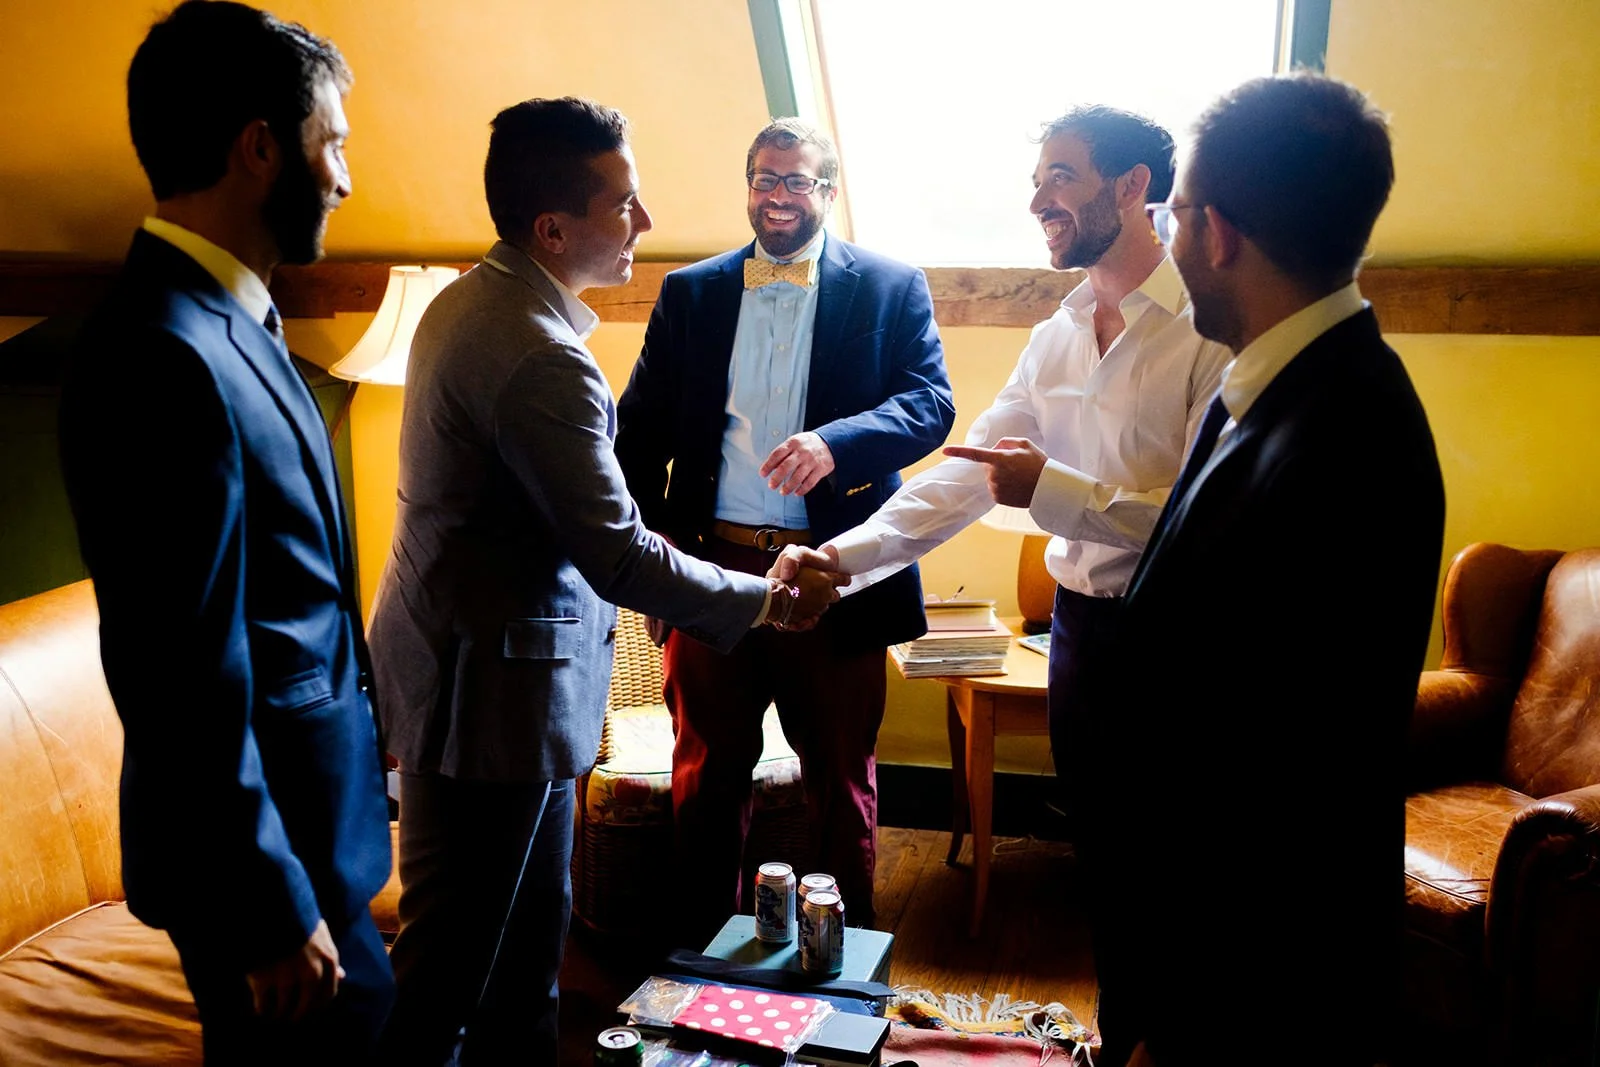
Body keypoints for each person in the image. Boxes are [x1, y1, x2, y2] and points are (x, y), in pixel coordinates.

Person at [365, 98, 838, 1066]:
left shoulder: (474, 298)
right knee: (457, 959)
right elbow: (615, 552)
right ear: (553, 228)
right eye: (624, 202)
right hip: (491, 689)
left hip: (467, 667)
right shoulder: (540, 355)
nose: (647, 222)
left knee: (529, 936)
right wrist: (762, 597)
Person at [57, 3, 393, 1063]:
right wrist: (264, 903)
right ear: (260, 148)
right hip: (259, 870)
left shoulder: (241, 316)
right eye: (329, 142)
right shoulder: (153, 352)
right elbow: (176, 667)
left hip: (316, 832)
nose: (342, 177)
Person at [1089, 74, 1445, 1066]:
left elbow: (1281, 776)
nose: (1164, 236)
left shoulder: (1346, 436)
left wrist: (1175, 1009)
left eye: (1174, 210)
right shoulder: (1270, 378)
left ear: (1219, 233)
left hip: (1254, 987)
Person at [775, 106, 1231, 827]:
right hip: (1079, 640)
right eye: (1037, 180)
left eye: (1061, 177)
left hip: (1184, 643)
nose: (1038, 202)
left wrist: (1050, 488)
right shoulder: (1055, 337)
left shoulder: (1213, 330)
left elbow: (1209, 519)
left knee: (1178, 864)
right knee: (1102, 858)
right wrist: (841, 556)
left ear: (1130, 186)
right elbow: (964, 476)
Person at [614, 118, 955, 939]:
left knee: (838, 775)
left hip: (828, 573)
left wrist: (836, 444)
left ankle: (845, 956)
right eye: (764, 179)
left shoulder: (889, 285)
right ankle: (702, 952)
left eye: (796, 180)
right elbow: (636, 436)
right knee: (705, 770)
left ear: (828, 191)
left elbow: (929, 404)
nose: (777, 196)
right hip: (713, 569)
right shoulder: (691, 293)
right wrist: (659, 561)